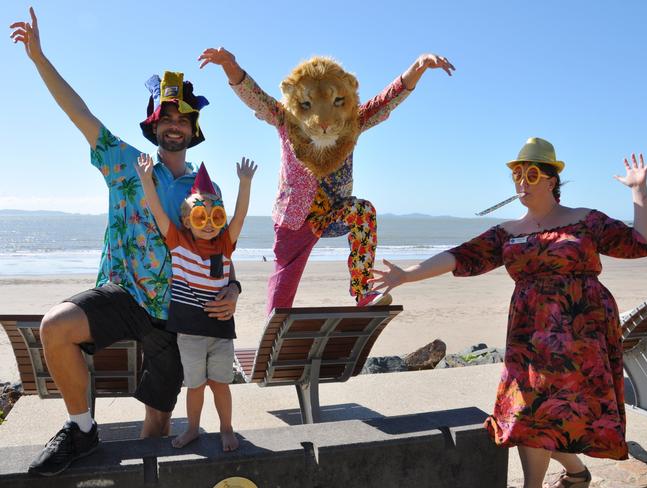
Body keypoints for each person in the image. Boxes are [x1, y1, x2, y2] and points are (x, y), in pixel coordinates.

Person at [10, 9, 241, 476]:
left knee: (157, 417)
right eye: (166, 118)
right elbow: (80, 113)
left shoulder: (206, 188)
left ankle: (142, 475)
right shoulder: (126, 164)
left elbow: (219, 252)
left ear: (193, 130)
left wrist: (234, 290)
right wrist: (38, 57)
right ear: (154, 127)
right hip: (125, 294)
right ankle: (81, 430)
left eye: (182, 119)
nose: (174, 125)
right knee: (55, 326)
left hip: (179, 312)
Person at [370, 138, 647, 488]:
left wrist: (639, 190)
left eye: (531, 174)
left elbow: (641, 243)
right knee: (526, 411)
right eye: (517, 175)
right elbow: (460, 255)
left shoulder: (585, 220)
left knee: (557, 411)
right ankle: (575, 475)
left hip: (581, 334)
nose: (522, 182)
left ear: (551, 180)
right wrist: (408, 275)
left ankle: (561, 478)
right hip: (530, 335)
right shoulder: (508, 232)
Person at [197, 47, 454, 314]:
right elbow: (254, 96)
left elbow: (386, 100)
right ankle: (272, 332)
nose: (322, 122)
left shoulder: (352, 122)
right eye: (308, 104)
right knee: (284, 279)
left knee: (362, 212)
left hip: (332, 213)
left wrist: (419, 66)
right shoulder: (286, 119)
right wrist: (230, 65)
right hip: (293, 217)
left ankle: (363, 290)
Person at [135, 156, 256, 451]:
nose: (208, 225)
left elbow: (239, 218)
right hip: (188, 335)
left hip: (220, 333)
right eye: (200, 218)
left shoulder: (225, 245)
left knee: (221, 385)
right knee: (195, 386)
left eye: (216, 218)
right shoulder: (179, 243)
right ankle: (192, 428)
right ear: (188, 220)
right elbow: (158, 213)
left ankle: (227, 428)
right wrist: (145, 180)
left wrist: (245, 183)